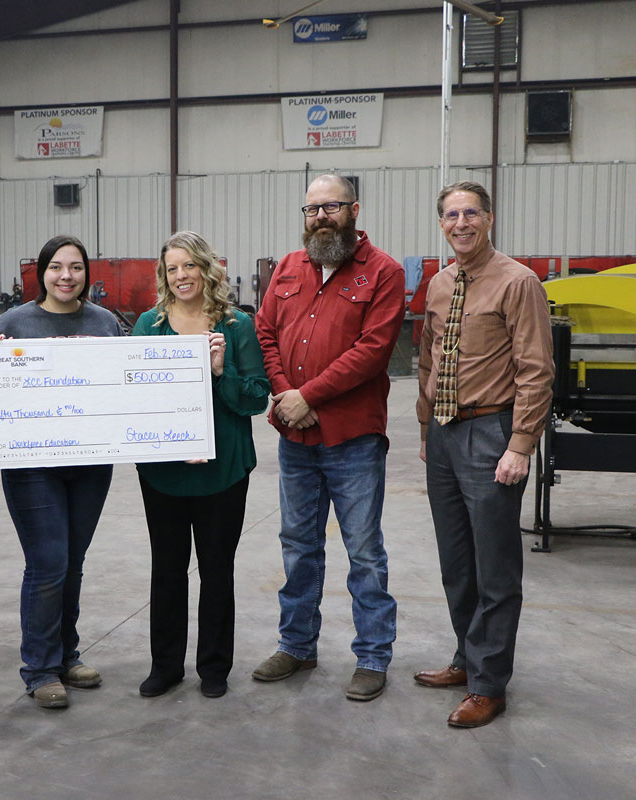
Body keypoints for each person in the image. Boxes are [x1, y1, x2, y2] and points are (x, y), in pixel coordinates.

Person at [253, 174, 405, 702]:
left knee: (363, 551)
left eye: (331, 206)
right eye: (312, 208)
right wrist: (284, 392)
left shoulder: (383, 272)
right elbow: (265, 333)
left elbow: (373, 350)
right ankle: (297, 645)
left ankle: (372, 656)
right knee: (298, 547)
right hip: (296, 439)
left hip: (353, 439)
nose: (320, 216)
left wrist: (308, 396)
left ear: (354, 210)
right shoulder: (289, 268)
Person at [416, 181, 554, 728]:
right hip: (445, 436)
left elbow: (536, 370)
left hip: (492, 433)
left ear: (489, 218)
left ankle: (489, 683)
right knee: (457, 564)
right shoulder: (438, 284)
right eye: (451, 214)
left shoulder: (518, 283)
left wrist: (520, 444)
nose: (461, 223)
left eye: (471, 212)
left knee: (495, 568)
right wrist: (426, 429)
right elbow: (427, 360)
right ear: (442, 223)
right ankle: (466, 659)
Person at [131, 231, 270, 700]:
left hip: (223, 470)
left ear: (206, 269)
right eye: (172, 268)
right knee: (166, 570)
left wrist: (220, 371)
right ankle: (165, 665)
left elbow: (255, 398)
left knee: (216, 570)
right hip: (164, 472)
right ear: (163, 275)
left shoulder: (234, 326)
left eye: (189, 266)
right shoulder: (149, 326)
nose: (181, 275)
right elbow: (134, 396)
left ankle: (213, 667)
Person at [0, 234, 123, 709]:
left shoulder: (106, 322)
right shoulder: (14, 323)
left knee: (72, 561)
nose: (66, 276)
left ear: (88, 273)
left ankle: (67, 654)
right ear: (42, 272)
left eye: (76, 267)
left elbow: (123, 386)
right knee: (48, 564)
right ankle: (40, 668)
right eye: (56, 267)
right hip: (33, 466)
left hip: (89, 465)